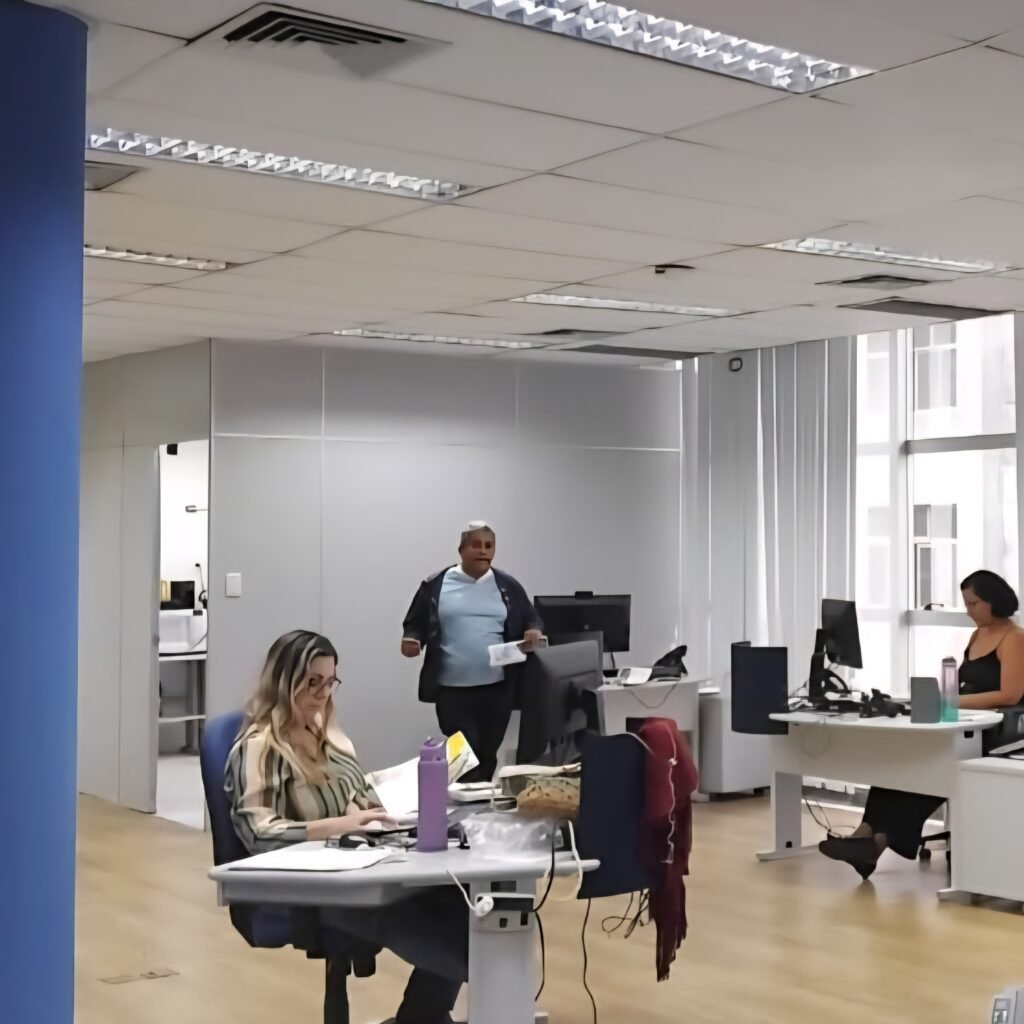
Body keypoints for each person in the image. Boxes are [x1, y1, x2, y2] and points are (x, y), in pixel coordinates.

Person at [226, 630, 468, 1024]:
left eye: (329, 682)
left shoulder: (325, 731)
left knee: (464, 901)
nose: (322, 694)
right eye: (312, 682)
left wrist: (396, 803)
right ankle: (463, 993)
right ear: (284, 680)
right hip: (318, 886)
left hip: (362, 864)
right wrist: (340, 824)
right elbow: (258, 833)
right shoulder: (259, 747)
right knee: (454, 936)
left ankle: (423, 1015)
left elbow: (359, 794)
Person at [819, 570, 1024, 880]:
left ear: (993, 601)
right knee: (900, 760)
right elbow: (964, 685)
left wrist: (950, 702)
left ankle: (874, 844)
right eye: (966, 604)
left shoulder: (1014, 638)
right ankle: (866, 836)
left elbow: (1010, 694)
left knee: (929, 769)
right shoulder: (977, 635)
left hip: (996, 732)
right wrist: (940, 700)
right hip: (964, 722)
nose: (968, 611)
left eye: (974, 604)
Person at [401, 521, 543, 781]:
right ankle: (461, 799)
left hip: (497, 689)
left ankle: (478, 802)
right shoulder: (436, 584)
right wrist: (412, 639)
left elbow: (530, 618)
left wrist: (533, 631)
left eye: (489, 546)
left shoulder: (507, 586)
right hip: (452, 691)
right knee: (465, 754)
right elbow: (416, 623)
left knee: (488, 754)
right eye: (476, 545)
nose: (483, 551)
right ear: (461, 549)